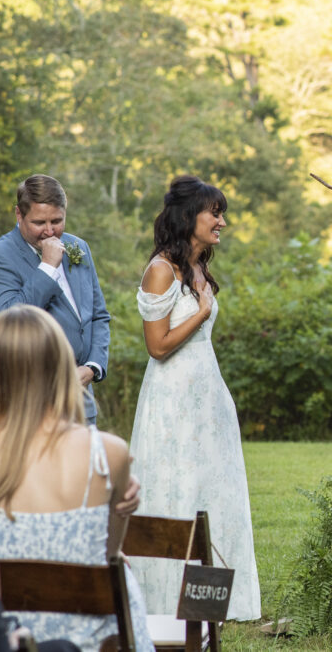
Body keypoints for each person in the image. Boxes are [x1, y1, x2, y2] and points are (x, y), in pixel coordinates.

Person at [128, 175, 260, 621]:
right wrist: (201, 311)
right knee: (177, 490)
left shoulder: (199, 267)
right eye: (215, 213)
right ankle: (167, 602)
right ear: (190, 218)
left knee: (213, 491)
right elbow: (158, 345)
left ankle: (216, 600)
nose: (222, 221)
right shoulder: (162, 269)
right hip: (172, 401)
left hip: (208, 397)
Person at [0, 305, 153, 651]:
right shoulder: (107, 454)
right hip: (95, 641)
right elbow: (110, 554)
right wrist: (121, 511)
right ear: (62, 366)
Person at [0, 174, 110, 425]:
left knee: (85, 466)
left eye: (57, 220)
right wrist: (48, 267)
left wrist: (93, 367)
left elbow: (98, 315)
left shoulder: (79, 247)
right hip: (26, 404)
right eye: (39, 222)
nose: (50, 231)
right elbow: (10, 320)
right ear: (19, 215)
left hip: (81, 401)